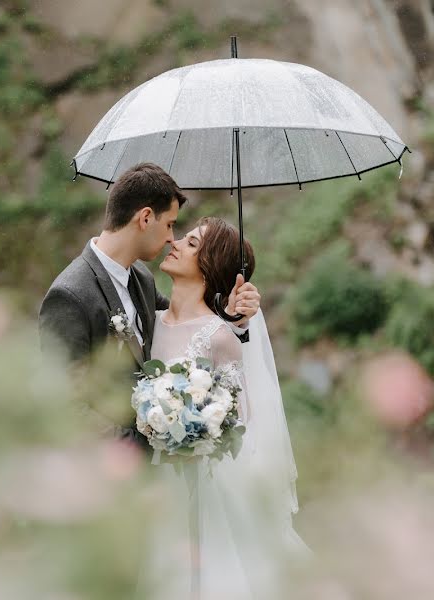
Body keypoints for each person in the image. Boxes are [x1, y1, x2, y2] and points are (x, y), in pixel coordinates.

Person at [141, 217, 309, 599]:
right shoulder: (148, 322)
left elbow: (239, 423)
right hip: (151, 484)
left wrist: (193, 435)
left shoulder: (219, 337)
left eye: (193, 244)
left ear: (208, 266)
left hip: (205, 486)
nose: (177, 242)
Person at [39, 163, 261, 441]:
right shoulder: (70, 295)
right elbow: (62, 404)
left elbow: (186, 324)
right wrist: (142, 452)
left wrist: (234, 317)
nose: (171, 239)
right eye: (169, 224)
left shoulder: (142, 278)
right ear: (145, 218)